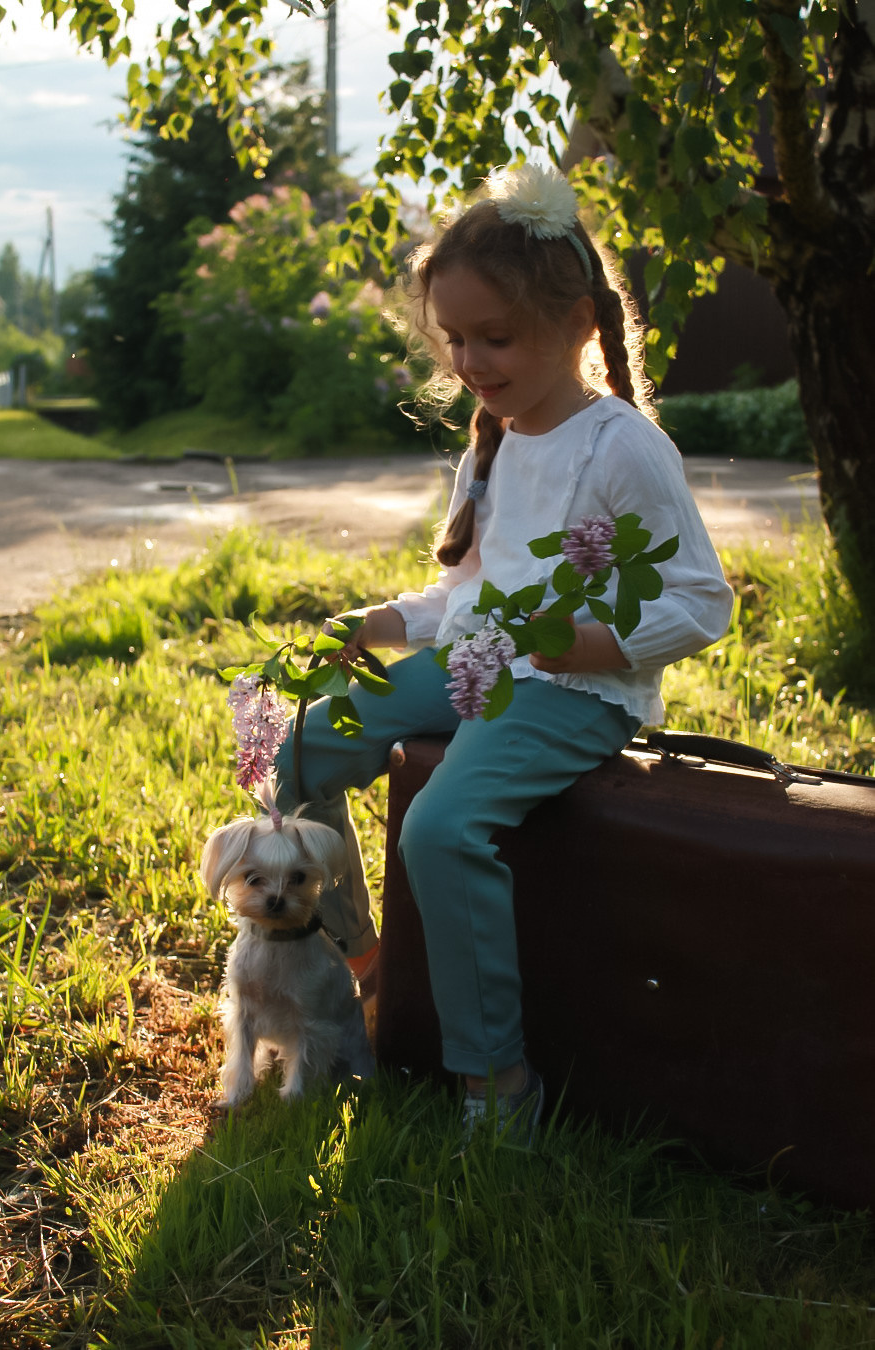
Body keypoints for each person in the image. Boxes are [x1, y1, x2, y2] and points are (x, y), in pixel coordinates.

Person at [273, 162, 734, 1139]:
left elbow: (701, 600)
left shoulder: (621, 447)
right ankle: (362, 963)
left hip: (574, 692)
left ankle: (498, 1081)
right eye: (455, 339)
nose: (470, 361)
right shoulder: (495, 440)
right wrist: (378, 624)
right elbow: (466, 595)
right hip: (478, 665)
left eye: (496, 336)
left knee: (439, 829)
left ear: (576, 323)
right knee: (301, 746)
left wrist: (590, 642)